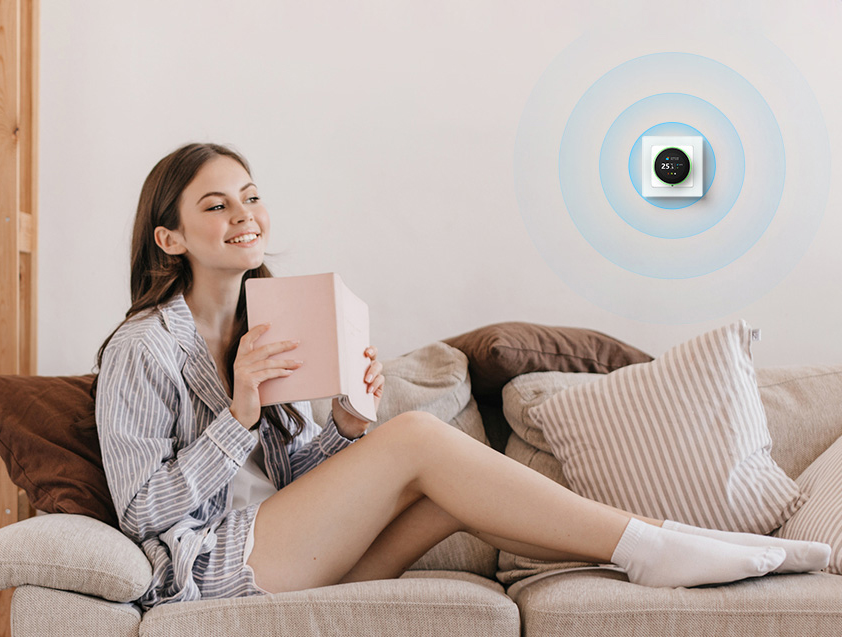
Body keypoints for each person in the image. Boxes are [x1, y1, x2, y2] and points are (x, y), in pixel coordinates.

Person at [93, 142, 830, 609]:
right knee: (416, 436)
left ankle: (662, 544)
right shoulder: (141, 347)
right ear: (171, 237)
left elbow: (286, 487)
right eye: (215, 205)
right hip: (209, 565)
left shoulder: (269, 324)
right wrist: (241, 413)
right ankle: (656, 546)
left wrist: (346, 429)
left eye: (251, 195)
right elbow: (139, 511)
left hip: (286, 551)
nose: (244, 213)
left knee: (451, 491)